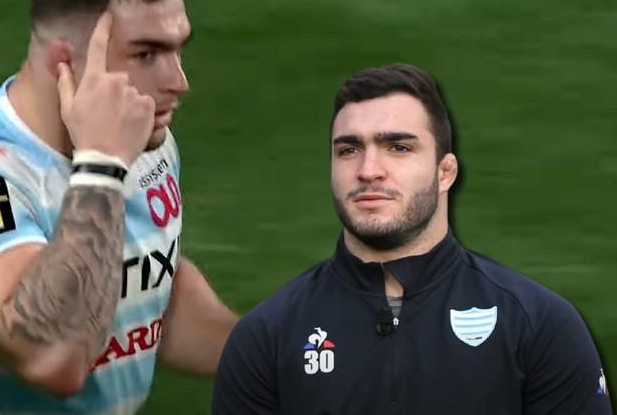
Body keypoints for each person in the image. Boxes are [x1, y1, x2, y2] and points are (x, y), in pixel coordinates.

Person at [0, 0, 238, 413]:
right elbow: (54, 358)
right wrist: (102, 168)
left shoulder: (141, 141)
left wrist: (276, 355)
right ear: (65, 64)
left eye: (178, 48)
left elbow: (151, 286)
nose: (178, 81)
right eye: (146, 53)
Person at [212, 63, 613, 414]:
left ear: (445, 172)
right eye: (349, 150)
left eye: (398, 147)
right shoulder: (266, 336)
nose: (369, 169)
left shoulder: (539, 325)